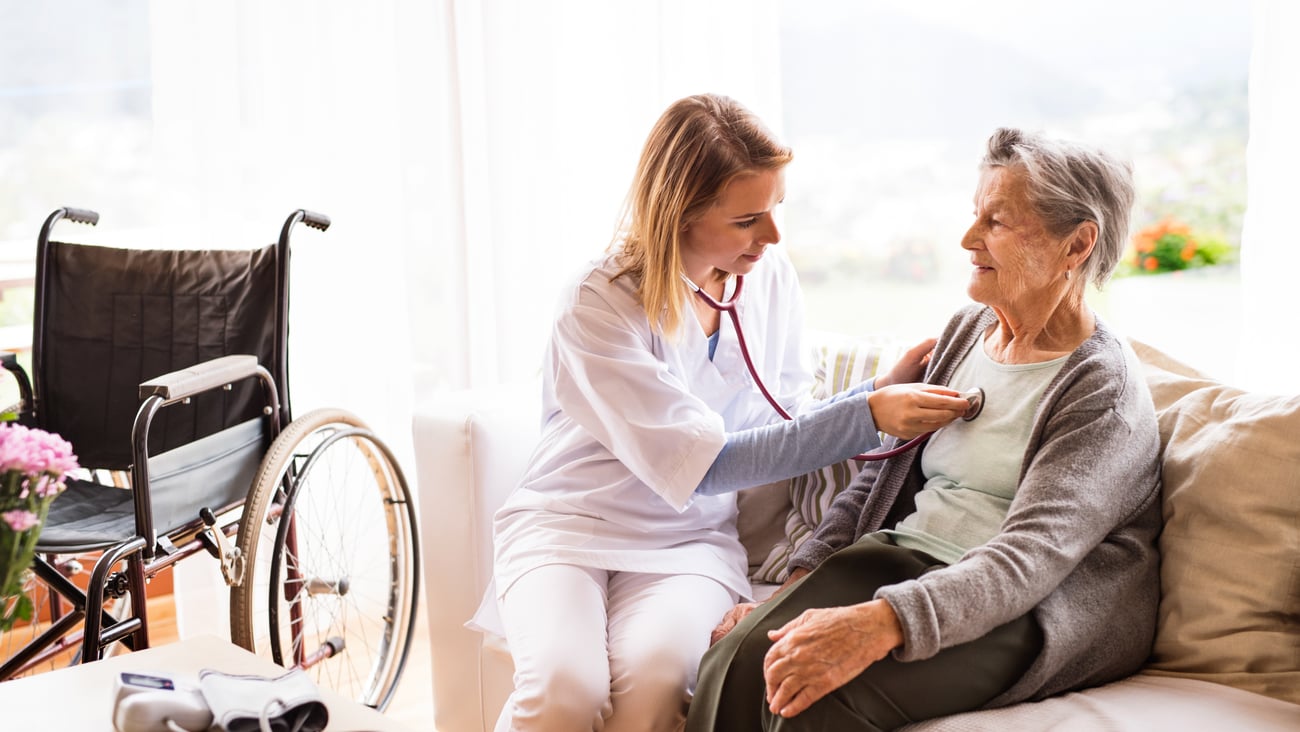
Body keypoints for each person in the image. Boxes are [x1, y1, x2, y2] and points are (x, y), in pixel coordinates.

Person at [477, 93, 972, 732]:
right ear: (679, 214)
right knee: (563, 693)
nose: (771, 237)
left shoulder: (767, 278)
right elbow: (709, 466)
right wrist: (871, 412)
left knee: (655, 690)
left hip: (688, 540)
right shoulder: (597, 302)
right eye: (747, 221)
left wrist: (874, 392)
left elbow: (784, 418)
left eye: (776, 210)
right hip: (568, 527)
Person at [686, 127, 1163, 731]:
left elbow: (1031, 558)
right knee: (731, 659)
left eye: (997, 222)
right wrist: (794, 587)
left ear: (1076, 246)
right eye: (975, 215)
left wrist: (877, 623)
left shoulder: (1102, 390)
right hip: (907, 560)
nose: (967, 239)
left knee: (809, 699)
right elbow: (881, 474)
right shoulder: (968, 330)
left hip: (1029, 608)